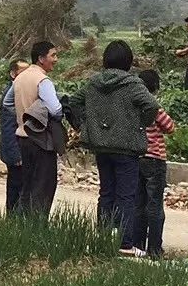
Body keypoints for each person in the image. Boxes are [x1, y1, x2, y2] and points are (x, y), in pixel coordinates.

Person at [64, 41, 158, 250]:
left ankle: (103, 237)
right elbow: (151, 105)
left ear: (105, 60)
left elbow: (73, 102)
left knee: (106, 192)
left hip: (101, 147)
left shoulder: (93, 83)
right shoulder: (133, 84)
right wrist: (142, 123)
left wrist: (84, 124)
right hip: (126, 148)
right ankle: (124, 243)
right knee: (126, 195)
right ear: (128, 62)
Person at [13, 39, 64, 218]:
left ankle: (21, 227)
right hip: (40, 140)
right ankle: (37, 228)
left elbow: (7, 103)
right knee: (43, 187)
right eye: (53, 55)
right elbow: (56, 110)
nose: (56, 59)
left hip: (22, 137)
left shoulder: (19, 78)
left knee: (27, 186)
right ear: (41, 59)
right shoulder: (43, 80)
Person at [134, 67, 175, 258]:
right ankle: (155, 248)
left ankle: (137, 244)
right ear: (155, 88)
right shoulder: (153, 106)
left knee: (138, 204)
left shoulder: (133, 107)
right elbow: (170, 127)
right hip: (155, 159)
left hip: (137, 158)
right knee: (155, 205)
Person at [0, 60, 28, 214]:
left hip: (20, 149)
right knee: (15, 187)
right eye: (22, 71)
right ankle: (12, 221)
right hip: (15, 151)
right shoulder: (11, 95)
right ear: (13, 74)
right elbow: (8, 127)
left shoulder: (21, 91)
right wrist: (16, 154)